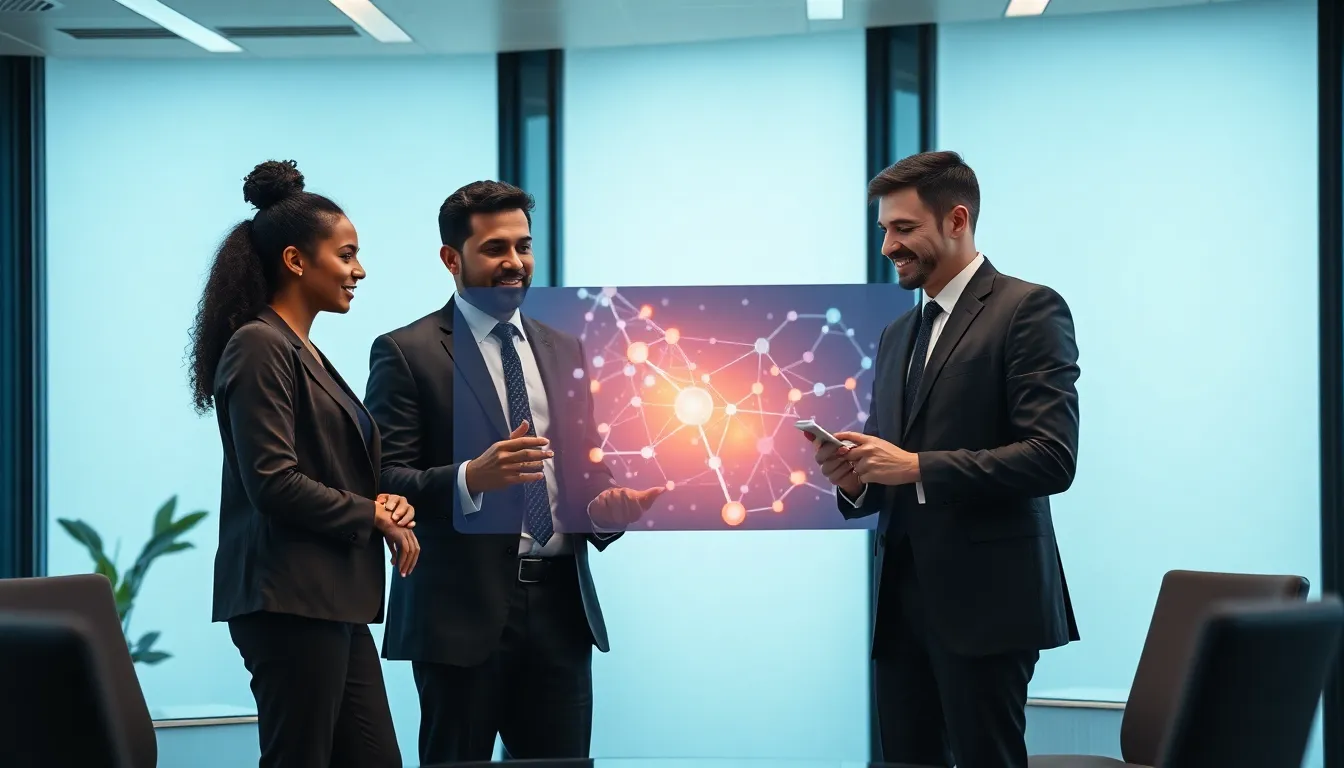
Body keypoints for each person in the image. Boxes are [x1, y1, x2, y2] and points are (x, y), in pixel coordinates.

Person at [363, 180, 664, 765]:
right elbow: (383, 481)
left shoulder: (563, 349)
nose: (515, 263)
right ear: (452, 258)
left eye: (523, 247)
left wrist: (608, 510)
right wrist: (470, 478)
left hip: (561, 612)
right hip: (460, 616)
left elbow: (584, 472)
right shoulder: (406, 352)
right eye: (496, 248)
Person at [809, 151, 1080, 768]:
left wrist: (917, 467)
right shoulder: (897, 333)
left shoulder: (1029, 310)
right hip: (901, 606)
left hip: (988, 607)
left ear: (957, 220)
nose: (888, 246)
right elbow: (891, 458)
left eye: (903, 229)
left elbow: (1052, 457)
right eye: (883, 230)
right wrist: (856, 477)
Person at [188, 159, 421, 768]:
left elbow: (328, 472)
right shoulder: (260, 344)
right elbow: (272, 481)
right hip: (290, 600)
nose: (359, 270)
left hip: (328, 599)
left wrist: (380, 504)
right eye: (346, 255)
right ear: (296, 261)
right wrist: (367, 514)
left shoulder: (299, 348)